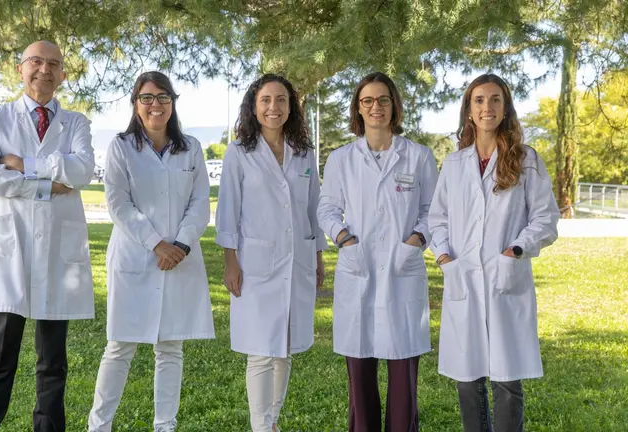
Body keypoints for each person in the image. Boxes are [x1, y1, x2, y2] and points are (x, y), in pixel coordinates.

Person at [0, 40, 96, 432]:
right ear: (20, 69)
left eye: (54, 64)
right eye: (36, 61)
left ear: (63, 74)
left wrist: (23, 165)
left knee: (52, 362)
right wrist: (44, 185)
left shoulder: (76, 123)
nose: (45, 69)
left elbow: (82, 172)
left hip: (58, 253)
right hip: (13, 251)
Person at [428, 73, 560, 432]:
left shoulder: (526, 159)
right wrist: (444, 257)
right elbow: (436, 219)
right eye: (479, 100)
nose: (487, 107)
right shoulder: (454, 165)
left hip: (506, 278)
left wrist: (515, 249)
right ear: (469, 111)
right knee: (467, 379)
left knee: (507, 380)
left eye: (495, 99)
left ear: (505, 108)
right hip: (465, 280)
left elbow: (546, 219)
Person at [87, 71, 215, 432]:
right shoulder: (121, 146)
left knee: (170, 348)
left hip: (180, 258)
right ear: (135, 104)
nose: (155, 104)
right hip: (135, 257)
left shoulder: (191, 147)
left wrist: (181, 245)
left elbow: (201, 201)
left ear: (172, 102)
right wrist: (157, 243)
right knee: (120, 348)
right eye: (146, 98)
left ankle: (165, 426)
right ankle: (99, 426)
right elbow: (118, 202)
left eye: (162, 97)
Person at [317, 72, 438, 432]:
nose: (376, 107)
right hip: (359, 267)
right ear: (358, 108)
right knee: (360, 371)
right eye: (367, 101)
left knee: (403, 373)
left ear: (394, 105)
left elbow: (434, 210)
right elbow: (326, 209)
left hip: (403, 270)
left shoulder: (418, 156)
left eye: (383, 100)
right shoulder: (341, 159)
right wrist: (344, 240)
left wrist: (415, 241)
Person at [215, 73, 328, 432]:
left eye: (281, 100)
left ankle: (272, 422)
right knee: (262, 350)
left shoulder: (305, 152)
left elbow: (313, 208)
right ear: (254, 105)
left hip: (297, 260)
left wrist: (318, 255)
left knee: (286, 346)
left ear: (291, 106)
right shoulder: (239, 152)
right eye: (265, 100)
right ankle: (260, 426)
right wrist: (230, 260)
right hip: (255, 261)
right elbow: (228, 209)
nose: (273, 108)